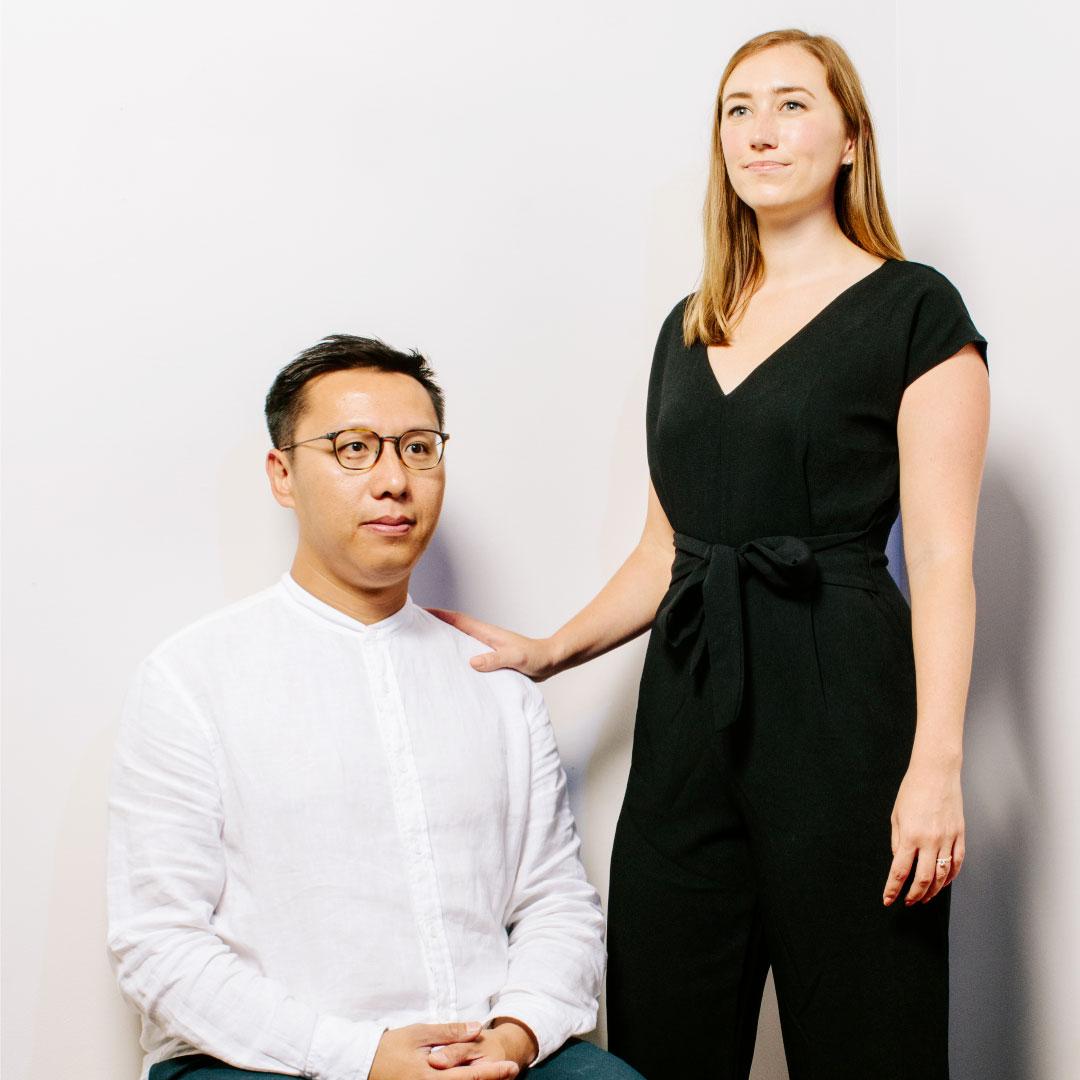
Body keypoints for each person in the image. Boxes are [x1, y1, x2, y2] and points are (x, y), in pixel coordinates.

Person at [432, 29, 990, 1080]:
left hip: (847, 706)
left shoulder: (917, 310)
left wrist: (937, 768)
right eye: (738, 109)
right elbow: (667, 548)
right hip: (691, 706)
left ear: (851, 141)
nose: (760, 132)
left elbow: (948, 564)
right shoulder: (687, 327)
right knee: (666, 1013)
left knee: (867, 1023)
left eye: (790, 105)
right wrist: (552, 651)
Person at [107, 336, 643, 1080]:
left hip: (485, 1053)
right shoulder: (191, 679)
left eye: (419, 448)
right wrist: (358, 1057)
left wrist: (518, 1033)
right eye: (353, 448)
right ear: (282, 475)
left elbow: (556, 903)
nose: (395, 480)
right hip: (264, 1065)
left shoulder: (495, 682)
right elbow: (156, 942)